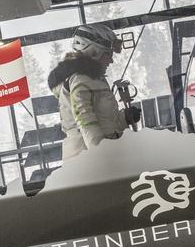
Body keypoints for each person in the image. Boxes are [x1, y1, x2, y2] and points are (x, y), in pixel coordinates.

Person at [47, 24, 142, 159]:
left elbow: (105, 122)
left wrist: (124, 118)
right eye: (107, 54)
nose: (111, 60)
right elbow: (85, 122)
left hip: (100, 159)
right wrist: (101, 157)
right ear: (93, 52)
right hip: (88, 163)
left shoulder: (94, 79)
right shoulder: (80, 80)